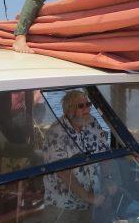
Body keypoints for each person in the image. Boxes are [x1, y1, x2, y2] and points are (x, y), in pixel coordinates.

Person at [42, 89, 109, 221]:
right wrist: (88, 197)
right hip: (63, 205)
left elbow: (105, 155)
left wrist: (109, 181)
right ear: (69, 111)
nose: (87, 109)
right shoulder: (55, 133)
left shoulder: (92, 123)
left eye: (88, 104)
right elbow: (63, 173)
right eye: (81, 106)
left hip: (91, 201)